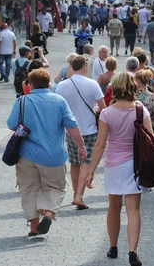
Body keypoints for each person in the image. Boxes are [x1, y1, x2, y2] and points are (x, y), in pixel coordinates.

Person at [7, 68, 86, 237]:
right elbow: (71, 125)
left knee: (28, 189)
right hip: (53, 155)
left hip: (26, 154)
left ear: (31, 83)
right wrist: (81, 146)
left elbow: (11, 124)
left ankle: (34, 227)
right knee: (56, 186)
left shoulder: (22, 101)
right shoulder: (59, 101)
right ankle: (49, 213)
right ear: (48, 83)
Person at [84, 72, 152, 266]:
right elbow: (151, 138)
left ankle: (113, 247)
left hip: (114, 165)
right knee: (133, 209)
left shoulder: (107, 113)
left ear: (115, 88)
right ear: (132, 87)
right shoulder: (141, 110)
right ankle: (132, 251)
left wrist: (91, 171)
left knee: (113, 207)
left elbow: (100, 145)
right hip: (135, 165)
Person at [55, 55, 106, 210]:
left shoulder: (62, 86)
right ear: (85, 66)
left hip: (71, 130)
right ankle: (79, 196)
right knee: (86, 162)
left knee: (75, 163)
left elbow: (59, 109)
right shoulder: (92, 84)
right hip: (89, 129)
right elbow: (103, 108)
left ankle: (75, 194)